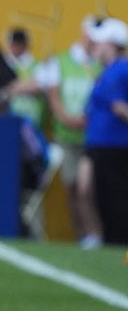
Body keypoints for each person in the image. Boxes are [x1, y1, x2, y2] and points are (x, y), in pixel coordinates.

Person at [36, 16, 103, 247]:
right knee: (72, 187)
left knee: (88, 188)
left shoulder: (101, 62)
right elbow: (53, 96)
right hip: (67, 136)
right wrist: (67, 118)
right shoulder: (63, 60)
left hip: (94, 138)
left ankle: (96, 233)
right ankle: (83, 235)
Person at [83, 17, 128, 245]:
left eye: (100, 43)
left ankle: (116, 241)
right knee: (102, 195)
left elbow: (120, 108)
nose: (96, 47)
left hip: (114, 144)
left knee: (113, 198)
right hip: (102, 143)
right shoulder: (109, 70)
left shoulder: (118, 70)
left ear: (111, 44)